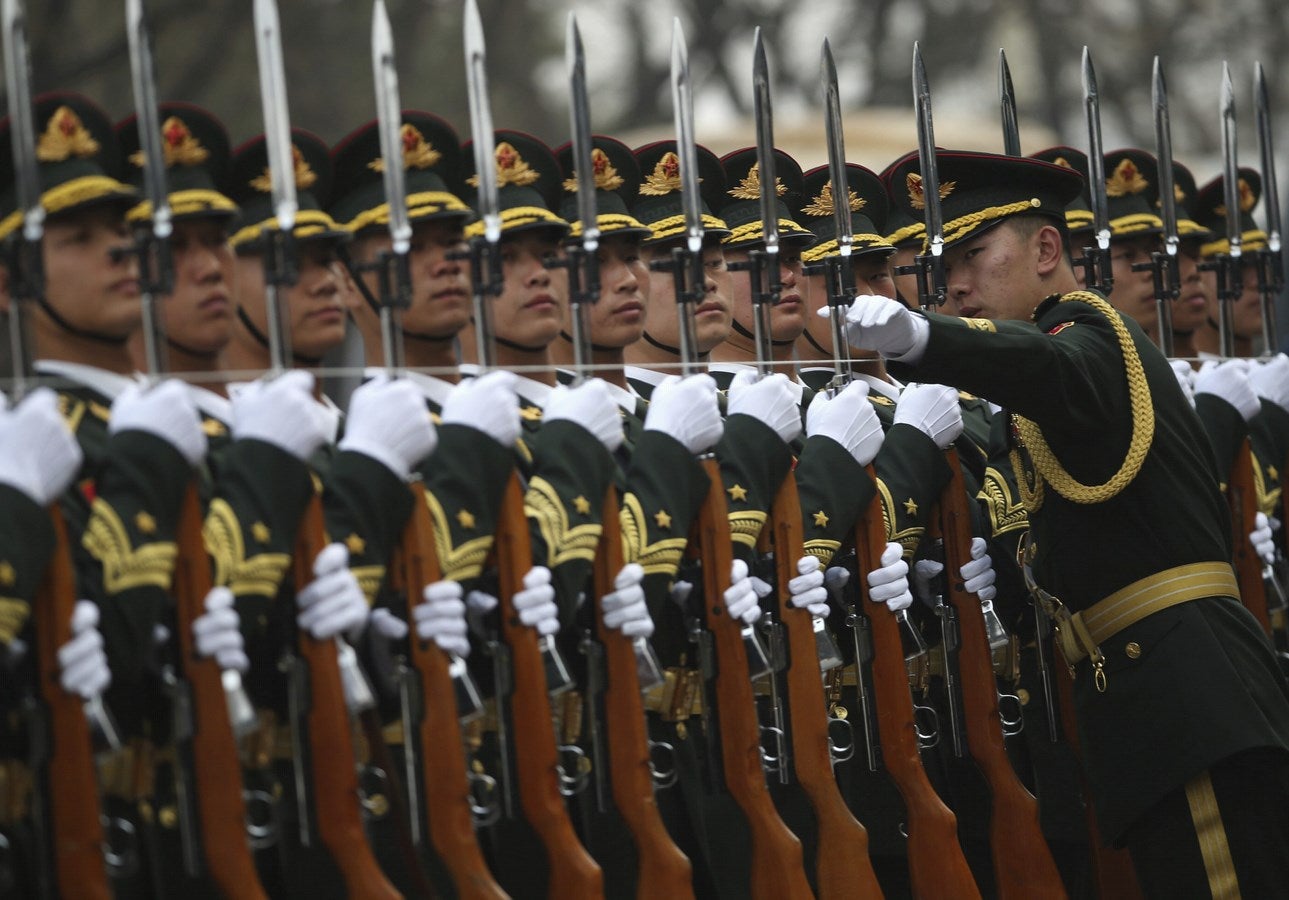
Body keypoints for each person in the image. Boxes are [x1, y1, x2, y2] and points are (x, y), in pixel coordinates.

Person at [837, 148, 1289, 897]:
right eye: (942, 263)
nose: (951, 283)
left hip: (1187, 704)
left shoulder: (1088, 334)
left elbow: (1052, 367)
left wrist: (923, 340)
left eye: (975, 254)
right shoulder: (1044, 379)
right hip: (1151, 706)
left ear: (1046, 249)